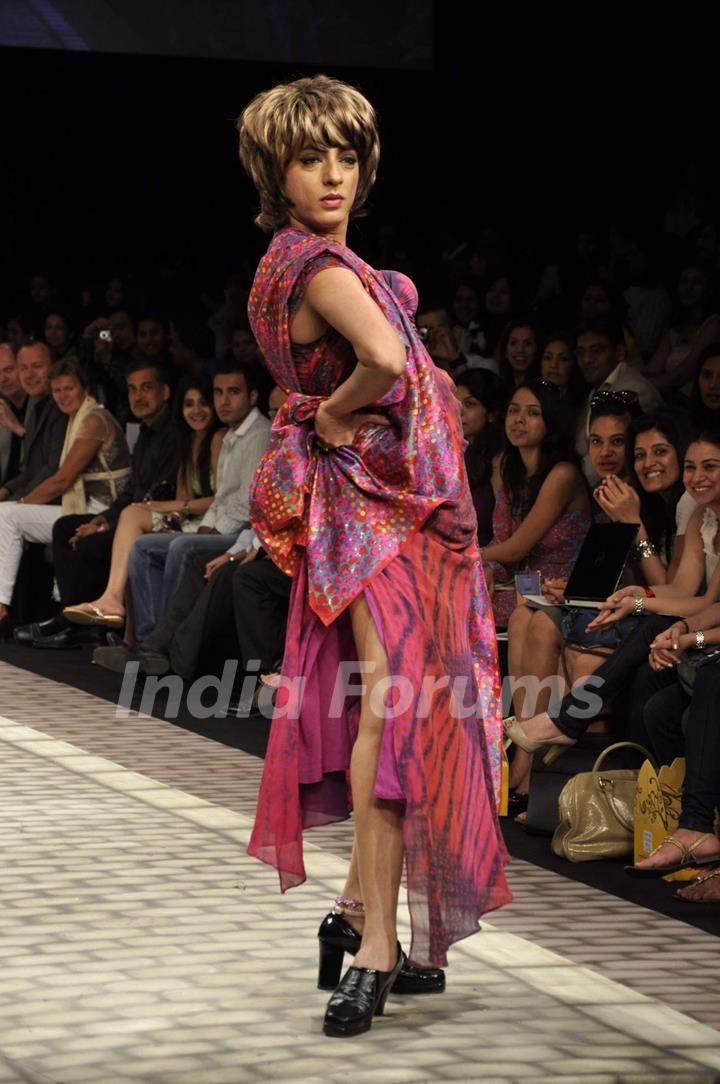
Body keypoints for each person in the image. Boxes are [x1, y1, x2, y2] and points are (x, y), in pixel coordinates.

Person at [237, 73, 510, 1037]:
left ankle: (358, 912)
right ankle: (375, 949)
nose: (332, 174)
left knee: (381, 702)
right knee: (398, 707)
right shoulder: (319, 268)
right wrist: (348, 408)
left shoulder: (284, 263)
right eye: (310, 157)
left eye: (346, 155)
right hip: (383, 512)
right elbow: (387, 367)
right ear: (276, 167)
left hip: (371, 512)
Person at [504, 428, 720, 757]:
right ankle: (532, 763)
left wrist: (638, 600)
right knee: (527, 617)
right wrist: (633, 595)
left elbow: (704, 601)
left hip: (701, 627)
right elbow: (680, 588)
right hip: (683, 620)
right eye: (692, 467)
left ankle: (566, 725)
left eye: (710, 466)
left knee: (648, 634)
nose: (698, 476)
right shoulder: (698, 515)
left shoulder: (687, 504)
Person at [14, 360, 180, 649]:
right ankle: (74, 618)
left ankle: (82, 625)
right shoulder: (146, 433)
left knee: (89, 541)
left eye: (147, 388)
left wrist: (109, 523)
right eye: (132, 389)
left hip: (160, 519)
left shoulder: (174, 434)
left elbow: (157, 496)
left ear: (165, 392)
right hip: (130, 513)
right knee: (70, 526)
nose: (138, 396)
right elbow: (131, 493)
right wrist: (101, 519)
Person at [62, 374, 224, 628]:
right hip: (190, 517)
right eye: (189, 404)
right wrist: (168, 512)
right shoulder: (188, 440)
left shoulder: (218, 438)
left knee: (133, 523)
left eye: (203, 403)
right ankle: (114, 609)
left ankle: (113, 603)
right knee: (130, 517)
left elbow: (220, 500)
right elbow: (184, 496)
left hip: (215, 521)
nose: (196, 411)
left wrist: (165, 507)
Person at [0, 358, 130, 625]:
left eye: (68, 388)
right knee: (9, 515)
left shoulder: (94, 419)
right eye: (57, 390)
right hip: (85, 506)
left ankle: (2, 605)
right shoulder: (76, 419)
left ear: (85, 388)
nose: (62, 395)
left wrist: (23, 503)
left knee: (8, 515)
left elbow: (63, 480)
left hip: (102, 510)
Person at [482, 378, 592, 631]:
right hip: (520, 589)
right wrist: (485, 565)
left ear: (551, 423)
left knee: (458, 602)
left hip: (560, 592)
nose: (519, 419)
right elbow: (500, 545)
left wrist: (468, 556)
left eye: (533, 413)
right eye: (514, 410)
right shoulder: (510, 470)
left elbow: (514, 550)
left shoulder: (563, 474)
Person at [453, 369, 505, 545]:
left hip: (485, 557)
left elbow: (505, 530)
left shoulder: (499, 459)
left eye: (470, 404)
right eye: (455, 403)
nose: (459, 412)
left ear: (491, 413)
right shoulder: (447, 451)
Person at [0, 343, 29, 483]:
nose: (2, 379)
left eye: (8, 370)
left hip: (34, 494)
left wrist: (17, 427)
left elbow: (46, 463)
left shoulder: (44, 405)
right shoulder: (2, 406)